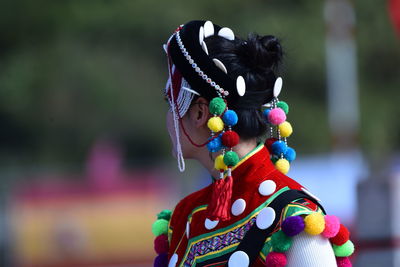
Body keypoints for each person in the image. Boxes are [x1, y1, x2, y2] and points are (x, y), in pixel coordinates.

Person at [151, 20, 355, 267]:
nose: (167, 119)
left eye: (170, 103)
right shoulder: (185, 217)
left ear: (199, 113)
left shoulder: (295, 221)